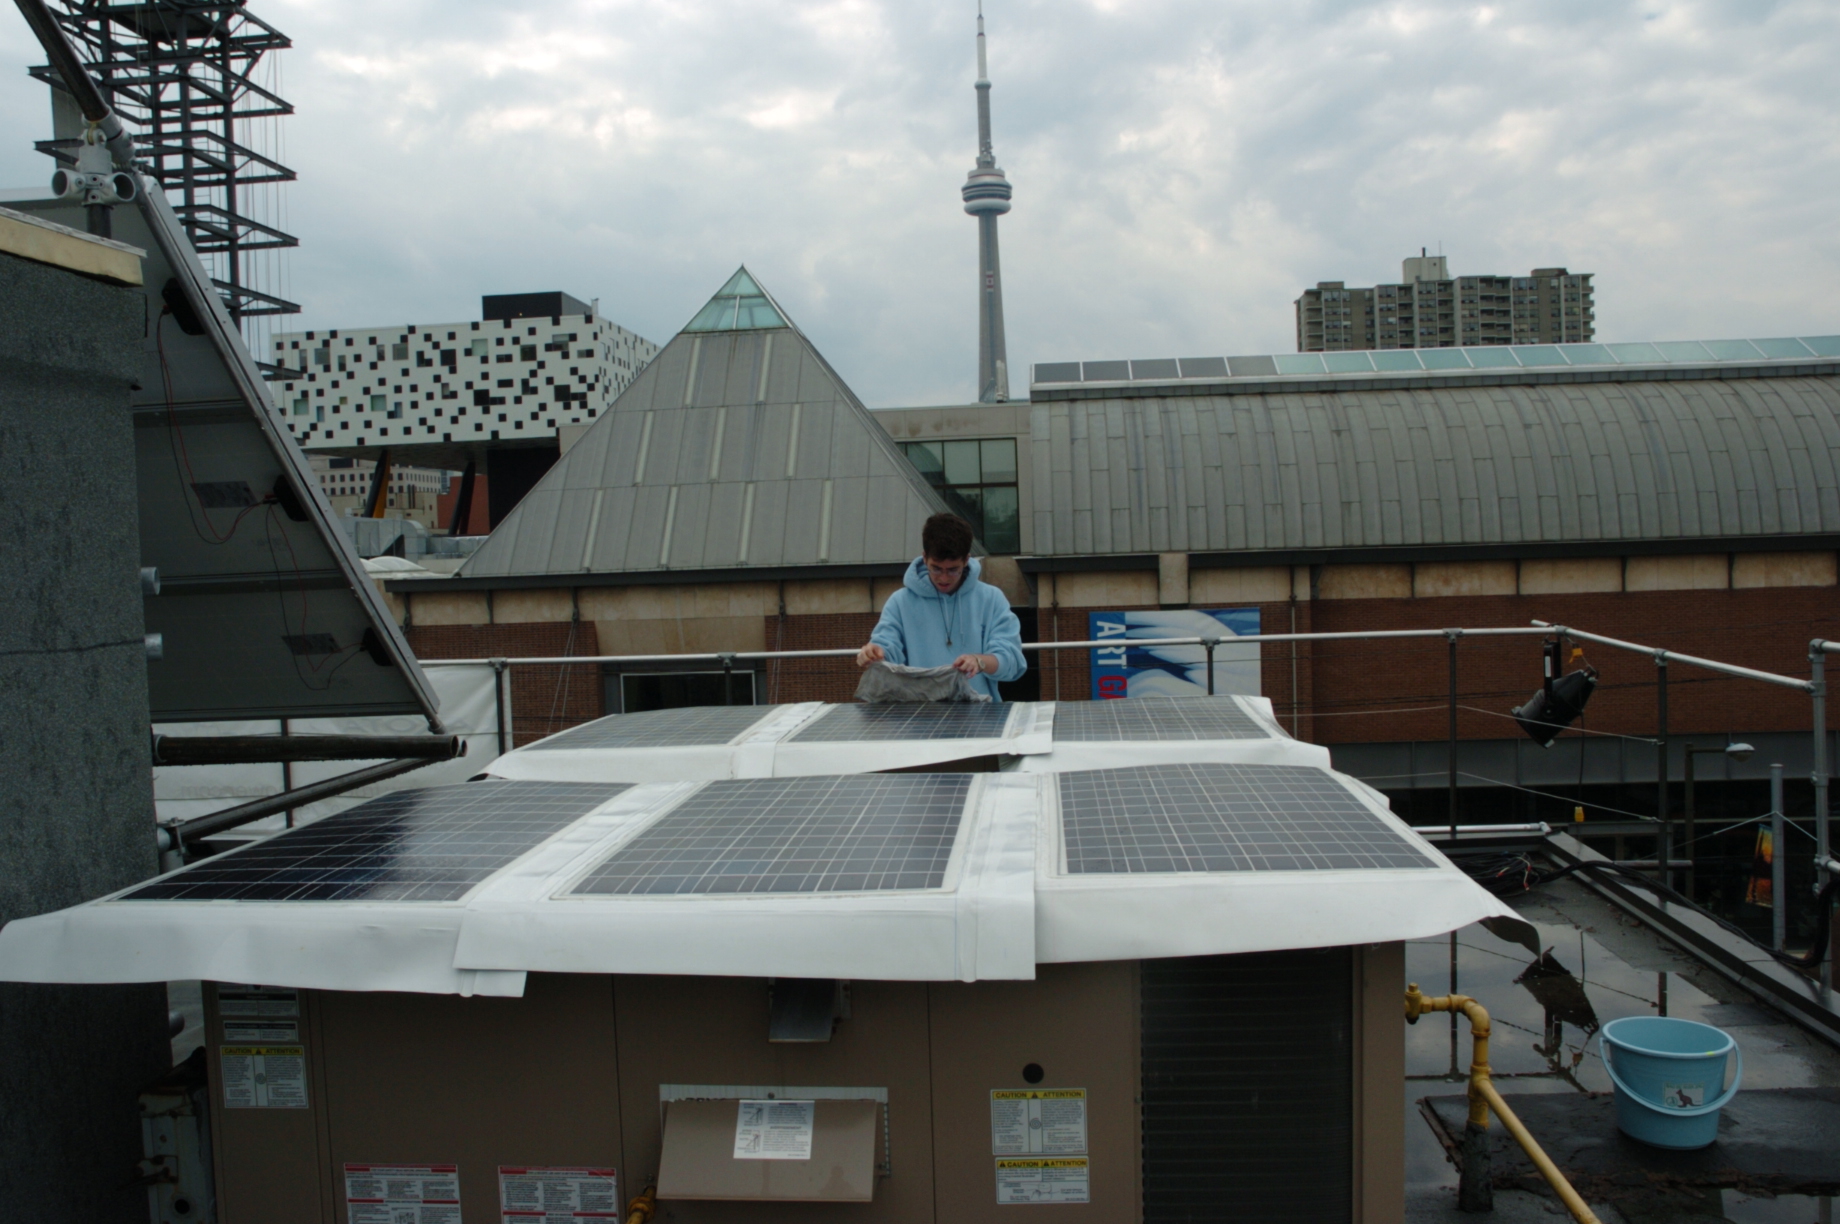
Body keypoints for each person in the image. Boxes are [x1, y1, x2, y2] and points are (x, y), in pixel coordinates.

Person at [855, 513, 1026, 702]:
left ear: (966, 560)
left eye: (953, 570)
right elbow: (887, 647)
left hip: (979, 711)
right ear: (924, 558)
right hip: (919, 714)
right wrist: (874, 653)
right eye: (936, 568)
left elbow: (1012, 662)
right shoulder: (900, 601)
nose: (944, 578)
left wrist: (979, 661)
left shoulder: (991, 599)